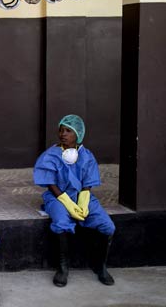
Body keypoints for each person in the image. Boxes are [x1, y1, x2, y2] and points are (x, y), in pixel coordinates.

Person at [34, 114, 115, 288]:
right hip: (57, 197)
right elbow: (50, 183)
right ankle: (63, 267)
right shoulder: (51, 155)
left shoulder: (86, 156)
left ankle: (100, 266)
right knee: (62, 222)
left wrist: (83, 202)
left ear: (78, 134)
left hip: (81, 195)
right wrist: (67, 202)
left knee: (107, 226)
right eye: (61, 130)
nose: (63, 134)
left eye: (68, 131)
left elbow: (87, 184)